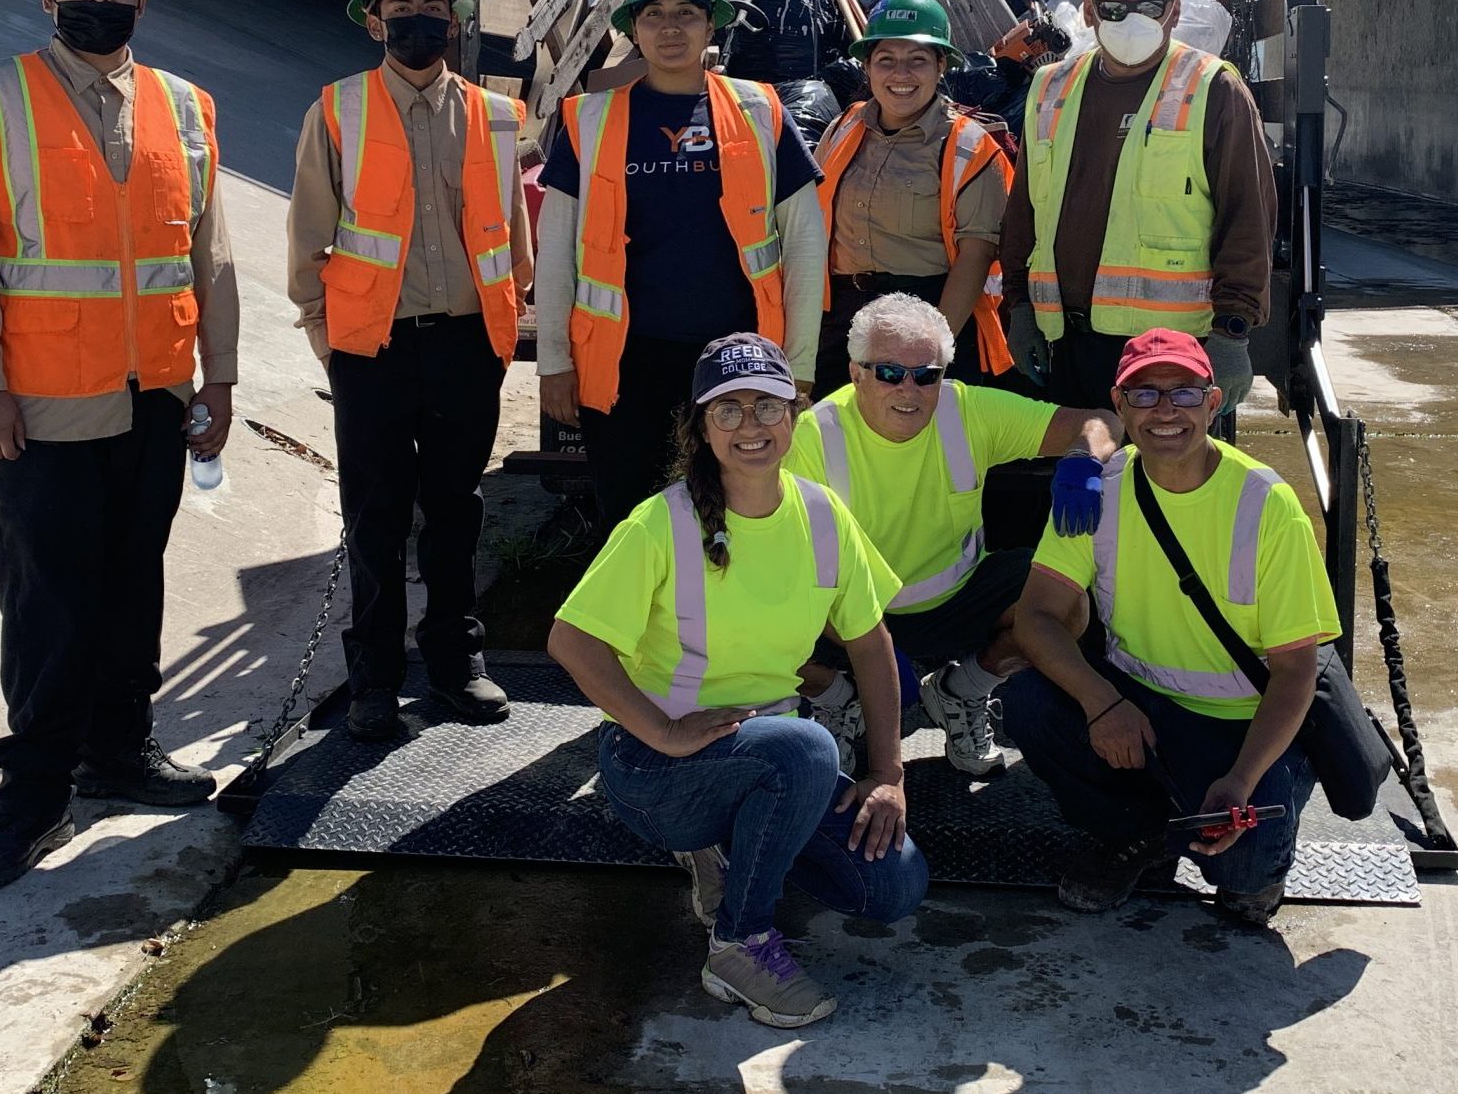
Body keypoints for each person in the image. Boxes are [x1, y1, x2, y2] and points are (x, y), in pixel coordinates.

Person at [0, 0, 236, 890]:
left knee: (130, 581)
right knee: (49, 600)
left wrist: (218, 377)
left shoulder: (186, 109)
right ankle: (32, 796)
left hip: (154, 394)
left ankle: (118, 753)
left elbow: (210, 256)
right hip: (44, 399)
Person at [549, 334, 927, 1028]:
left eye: (766, 407)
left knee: (892, 885)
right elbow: (571, 640)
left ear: (794, 416)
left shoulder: (820, 514)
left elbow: (872, 645)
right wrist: (661, 731)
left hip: (766, 758)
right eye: (727, 411)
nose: (749, 426)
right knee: (804, 748)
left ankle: (727, 849)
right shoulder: (660, 523)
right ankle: (739, 945)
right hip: (656, 769)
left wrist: (887, 771)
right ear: (699, 428)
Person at [1000, 328, 1340, 926]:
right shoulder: (1099, 491)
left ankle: (1267, 813)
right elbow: (1035, 616)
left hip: (1238, 723)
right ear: (1120, 405)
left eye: (1183, 394)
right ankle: (1131, 836)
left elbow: (1295, 673)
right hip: (1140, 705)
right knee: (1029, 701)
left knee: (1243, 875)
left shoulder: (1267, 504)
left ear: (1214, 402)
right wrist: (1102, 703)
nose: (1164, 412)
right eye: (1144, 395)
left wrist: (1239, 781)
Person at [286, 0, 532, 743]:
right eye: (402, 7)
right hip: (373, 350)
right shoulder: (337, 110)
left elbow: (514, 234)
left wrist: (504, 325)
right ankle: (374, 680)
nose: (418, 20)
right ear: (374, 19)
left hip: (467, 344)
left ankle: (457, 661)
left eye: (433, 7)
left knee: (456, 510)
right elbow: (309, 236)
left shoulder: (496, 116)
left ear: (455, 20)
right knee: (377, 516)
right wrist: (328, 337)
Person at [534, 0, 826, 529]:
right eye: (654, 13)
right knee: (629, 518)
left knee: (733, 514)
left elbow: (803, 242)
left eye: (687, 12)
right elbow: (557, 250)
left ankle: (721, 623)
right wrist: (554, 362)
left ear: (711, 22)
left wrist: (797, 367)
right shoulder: (586, 118)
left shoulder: (761, 111)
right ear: (634, 29)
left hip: (736, 361)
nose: (670, 28)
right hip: (625, 361)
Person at [785, 293, 1120, 778]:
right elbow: (797, 571)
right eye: (889, 373)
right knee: (752, 604)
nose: (910, 389)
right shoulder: (812, 437)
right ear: (856, 374)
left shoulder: (967, 411)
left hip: (956, 599)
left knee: (1064, 601)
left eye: (927, 375)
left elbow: (1099, 421)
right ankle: (839, 697)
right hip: (853, 615)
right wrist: (868, 651)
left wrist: (1087, 457)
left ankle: (963, 689)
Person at [1000, 0, 1276, 413]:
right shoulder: (1049, 89)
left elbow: (1248, 220)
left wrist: (1234, 331)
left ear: (1174, 9)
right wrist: (1018, 305)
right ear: (1088, 11)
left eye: (1149, 5)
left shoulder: (1214, 89)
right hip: (1066, 341)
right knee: (1081, 482)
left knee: (1160, 489)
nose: (1132, 19)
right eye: (1113, 6)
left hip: (1169, 358)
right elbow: (1024, 212)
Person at [811, 0, 1015, 397]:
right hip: (842, 319)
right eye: (886, 60)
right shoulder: (843, 127)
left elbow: (975, 258)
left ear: (942, 66)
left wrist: (930, 353)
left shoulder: (971, 147)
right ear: (867, 66)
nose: (900, 75)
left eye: (917, 61)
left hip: (929, 313)